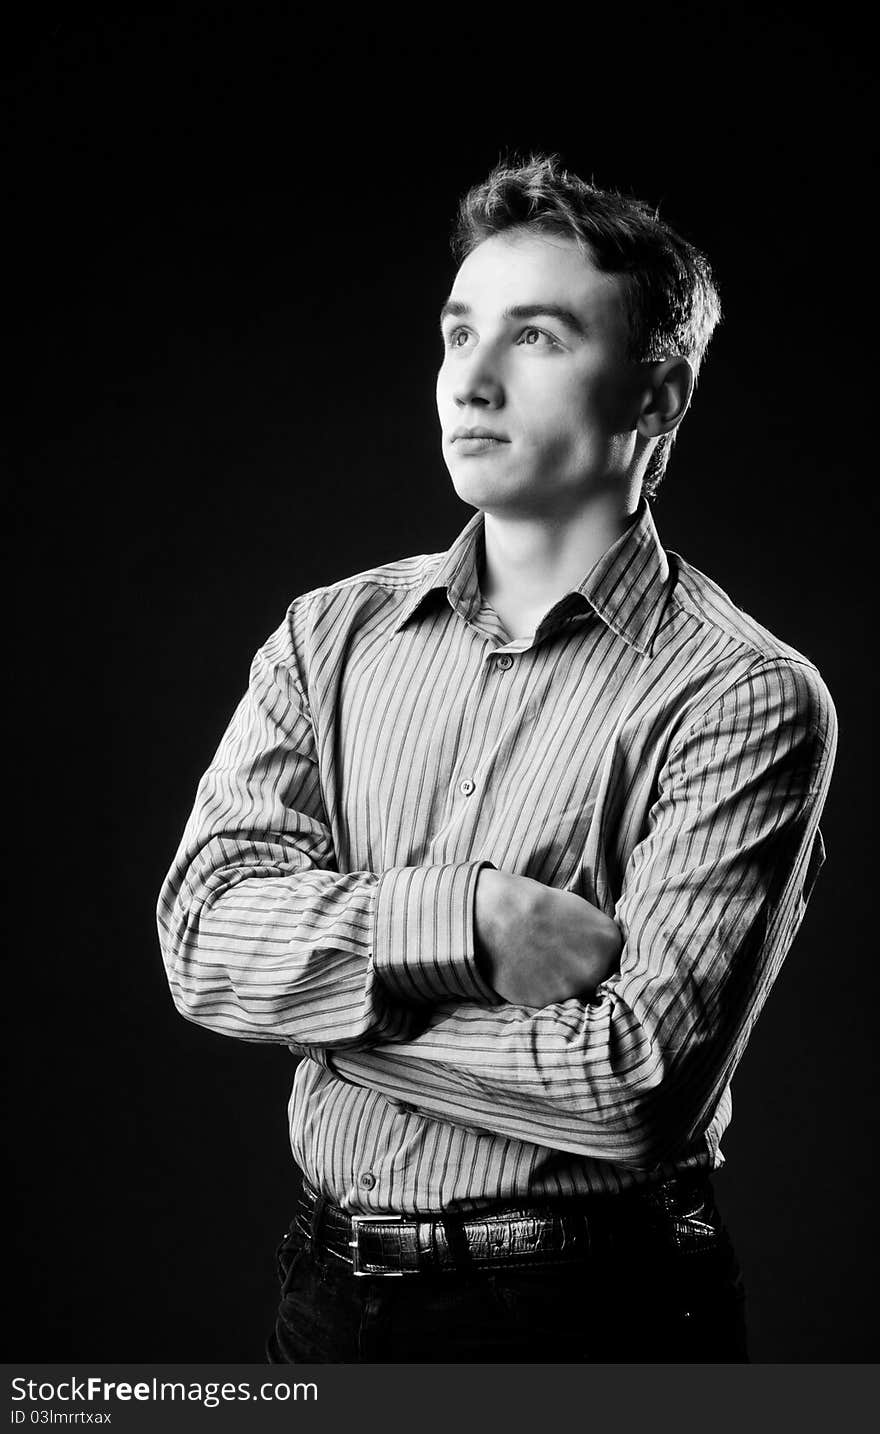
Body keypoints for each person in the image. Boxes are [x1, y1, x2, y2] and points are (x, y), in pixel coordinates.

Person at [157, 154, 837, 1363]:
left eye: (533, 336)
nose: (467, 381)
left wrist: (319, 1007)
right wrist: (464, 924)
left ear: (657, 394)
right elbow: (202, 941)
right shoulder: (329, 636)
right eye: (457, 331)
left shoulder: (745, 695)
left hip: (593, 1314)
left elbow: (629, 1084)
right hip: (325, 1288)